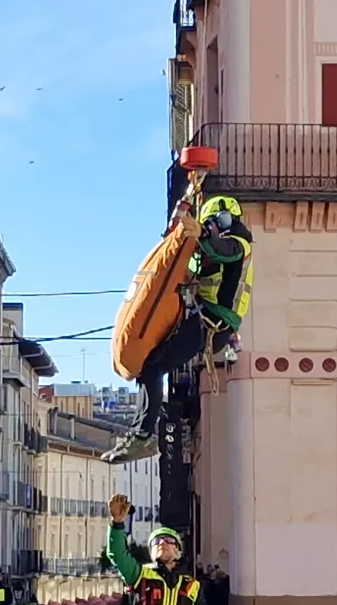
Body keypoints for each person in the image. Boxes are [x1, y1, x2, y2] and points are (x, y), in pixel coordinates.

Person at [108, 197, 253, 464]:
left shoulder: (239, 245)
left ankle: (143, 437)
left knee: (153, 366)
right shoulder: (210, 253)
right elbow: (180, 264)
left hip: (213, 323)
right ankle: (140, 433)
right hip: (201, 317)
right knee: (147, 364)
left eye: (218, 222)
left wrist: (202, 233)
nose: (214, 228)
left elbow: (223, 249)